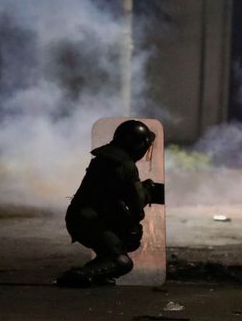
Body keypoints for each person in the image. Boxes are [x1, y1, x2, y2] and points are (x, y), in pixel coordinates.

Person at [56, 119, 164, 287]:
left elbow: (113, 193)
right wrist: (148, 192)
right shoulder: (125, 164)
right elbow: (136, 205)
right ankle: (79, 275)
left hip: (82, 217)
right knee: (122, 261)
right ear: (137, 145)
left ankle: (97, 272)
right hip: (91, 221)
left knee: (111, 253)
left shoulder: (107, 157)